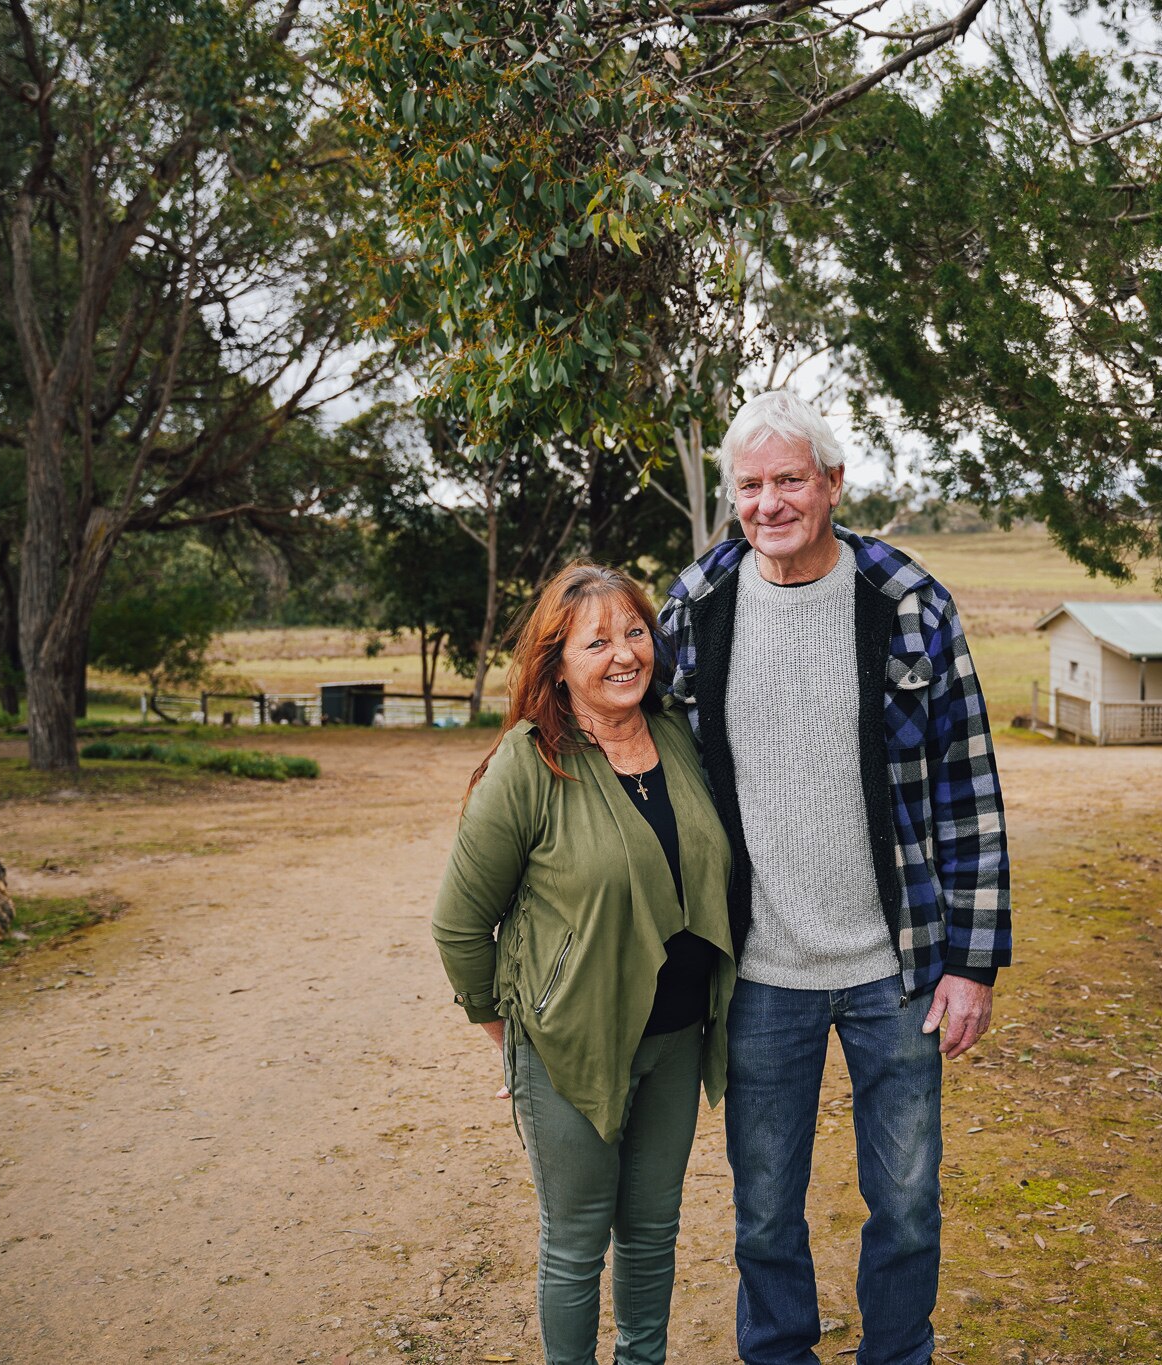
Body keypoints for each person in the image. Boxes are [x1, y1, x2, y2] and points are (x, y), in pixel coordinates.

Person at [658, 390, 1012, 1365]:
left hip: (893, 972)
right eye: (750, 485)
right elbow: (644, 768)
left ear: (831, 485)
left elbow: (966, 792)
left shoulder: (907, 604)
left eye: (788, 481)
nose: (769, 503)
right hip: (759, 972)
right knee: (764, 1211)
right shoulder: (696, 606)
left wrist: (970, 963)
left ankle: (896, 1355)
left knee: (904, 1202)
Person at [432, 562, 735, 1365]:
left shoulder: (675, 734)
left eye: (635, 631)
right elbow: (460, 924)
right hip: (571, 1050)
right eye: (596, 641)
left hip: (676, 1037)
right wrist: (511, 1035)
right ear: (556, 663)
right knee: (574, 1244)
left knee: (651, 1232)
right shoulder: (530, 765)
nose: (623, 654)